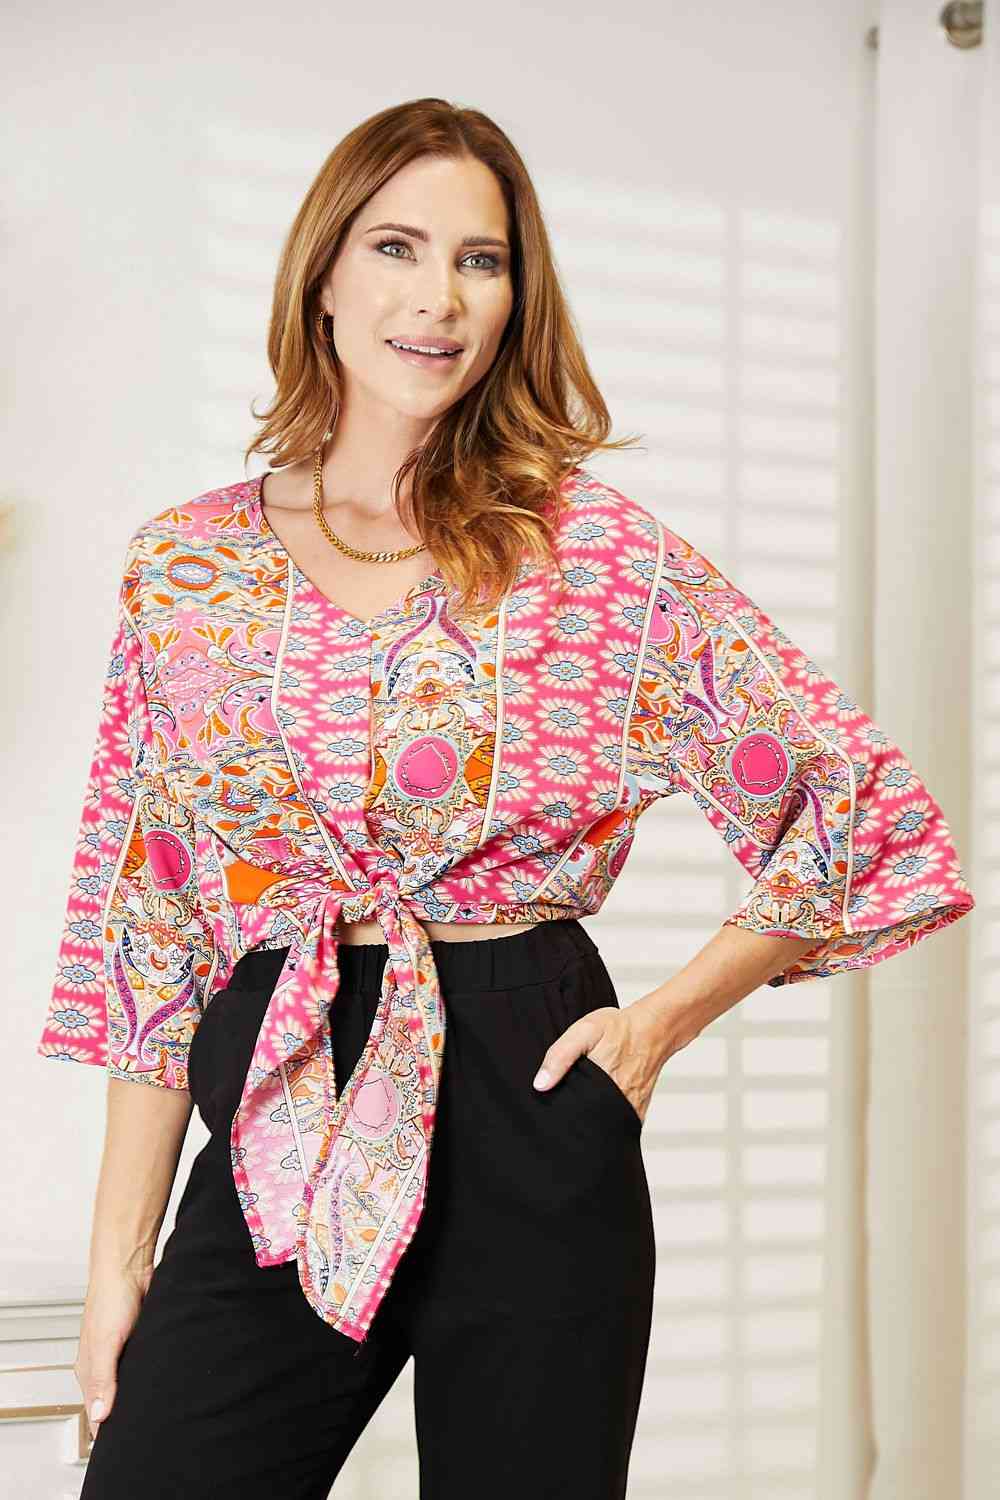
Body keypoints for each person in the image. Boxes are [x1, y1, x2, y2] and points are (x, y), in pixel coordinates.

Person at [36, 97, 975, 1499]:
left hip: (524, 1071)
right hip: (286, 1072)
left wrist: (657, 1027)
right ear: (323, 277)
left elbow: (855, 806)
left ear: (516, 300)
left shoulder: (593, 557)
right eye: (397, 247)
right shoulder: (188, 570)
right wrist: (121, 1261)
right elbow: (151, 919)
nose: (438, 296)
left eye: (480, 260)